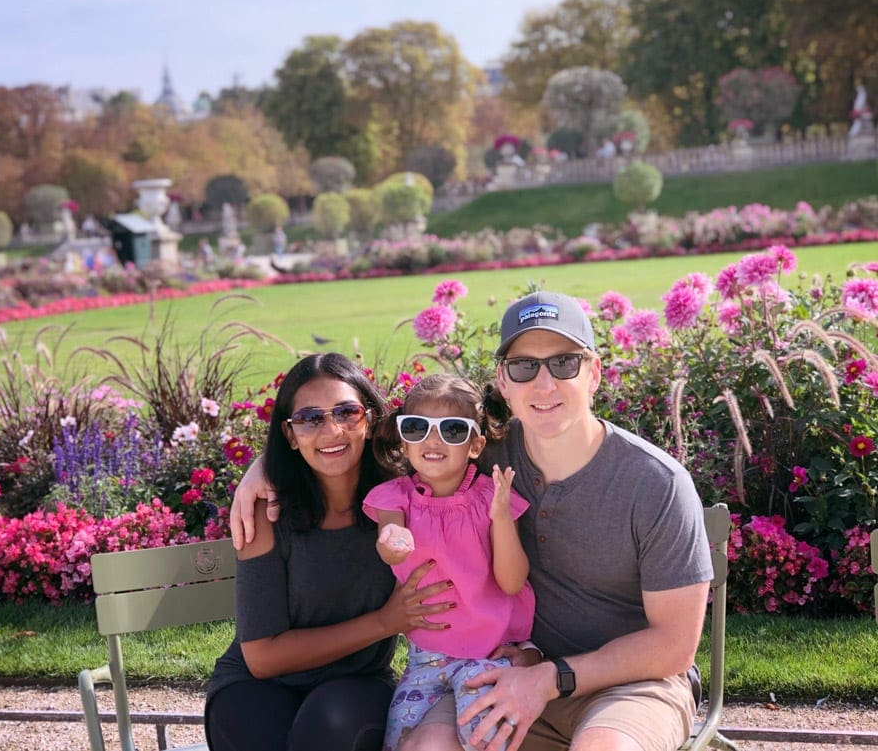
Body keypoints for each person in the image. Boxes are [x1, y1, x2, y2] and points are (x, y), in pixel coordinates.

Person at [231, 292, 713, 751]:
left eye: (564, 363)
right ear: (503, 381)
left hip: (628, 687)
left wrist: (551, 676)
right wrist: (266, 467)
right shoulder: (479, 451)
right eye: (524, 367)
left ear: (595, 373)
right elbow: (365, 448)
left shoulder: (656, 484)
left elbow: (673, 647)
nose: (543, 384)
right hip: (503, 671)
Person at [205, 352, 453, 751]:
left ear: (370, 420)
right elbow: (262, 657)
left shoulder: (404, 499)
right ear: (289, 434)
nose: (331, 430)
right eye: (309, 419)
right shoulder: (265, 509)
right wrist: (386, 622)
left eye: (346, 412)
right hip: (257, 684)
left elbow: (468, 452)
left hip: (357, 683)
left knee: (332, 720)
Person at [363, 374, 535, 751]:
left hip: (489, 651)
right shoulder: (395, 498)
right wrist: (393, 542)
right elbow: (388, 543)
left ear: (475, 444)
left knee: (486, 736)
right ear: (404, 440)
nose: (432, 440)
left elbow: (511, 582)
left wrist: (502, 517)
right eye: (416, 427)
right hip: (425, 660)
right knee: (400, 740)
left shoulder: (492, 497)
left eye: (452, 429)